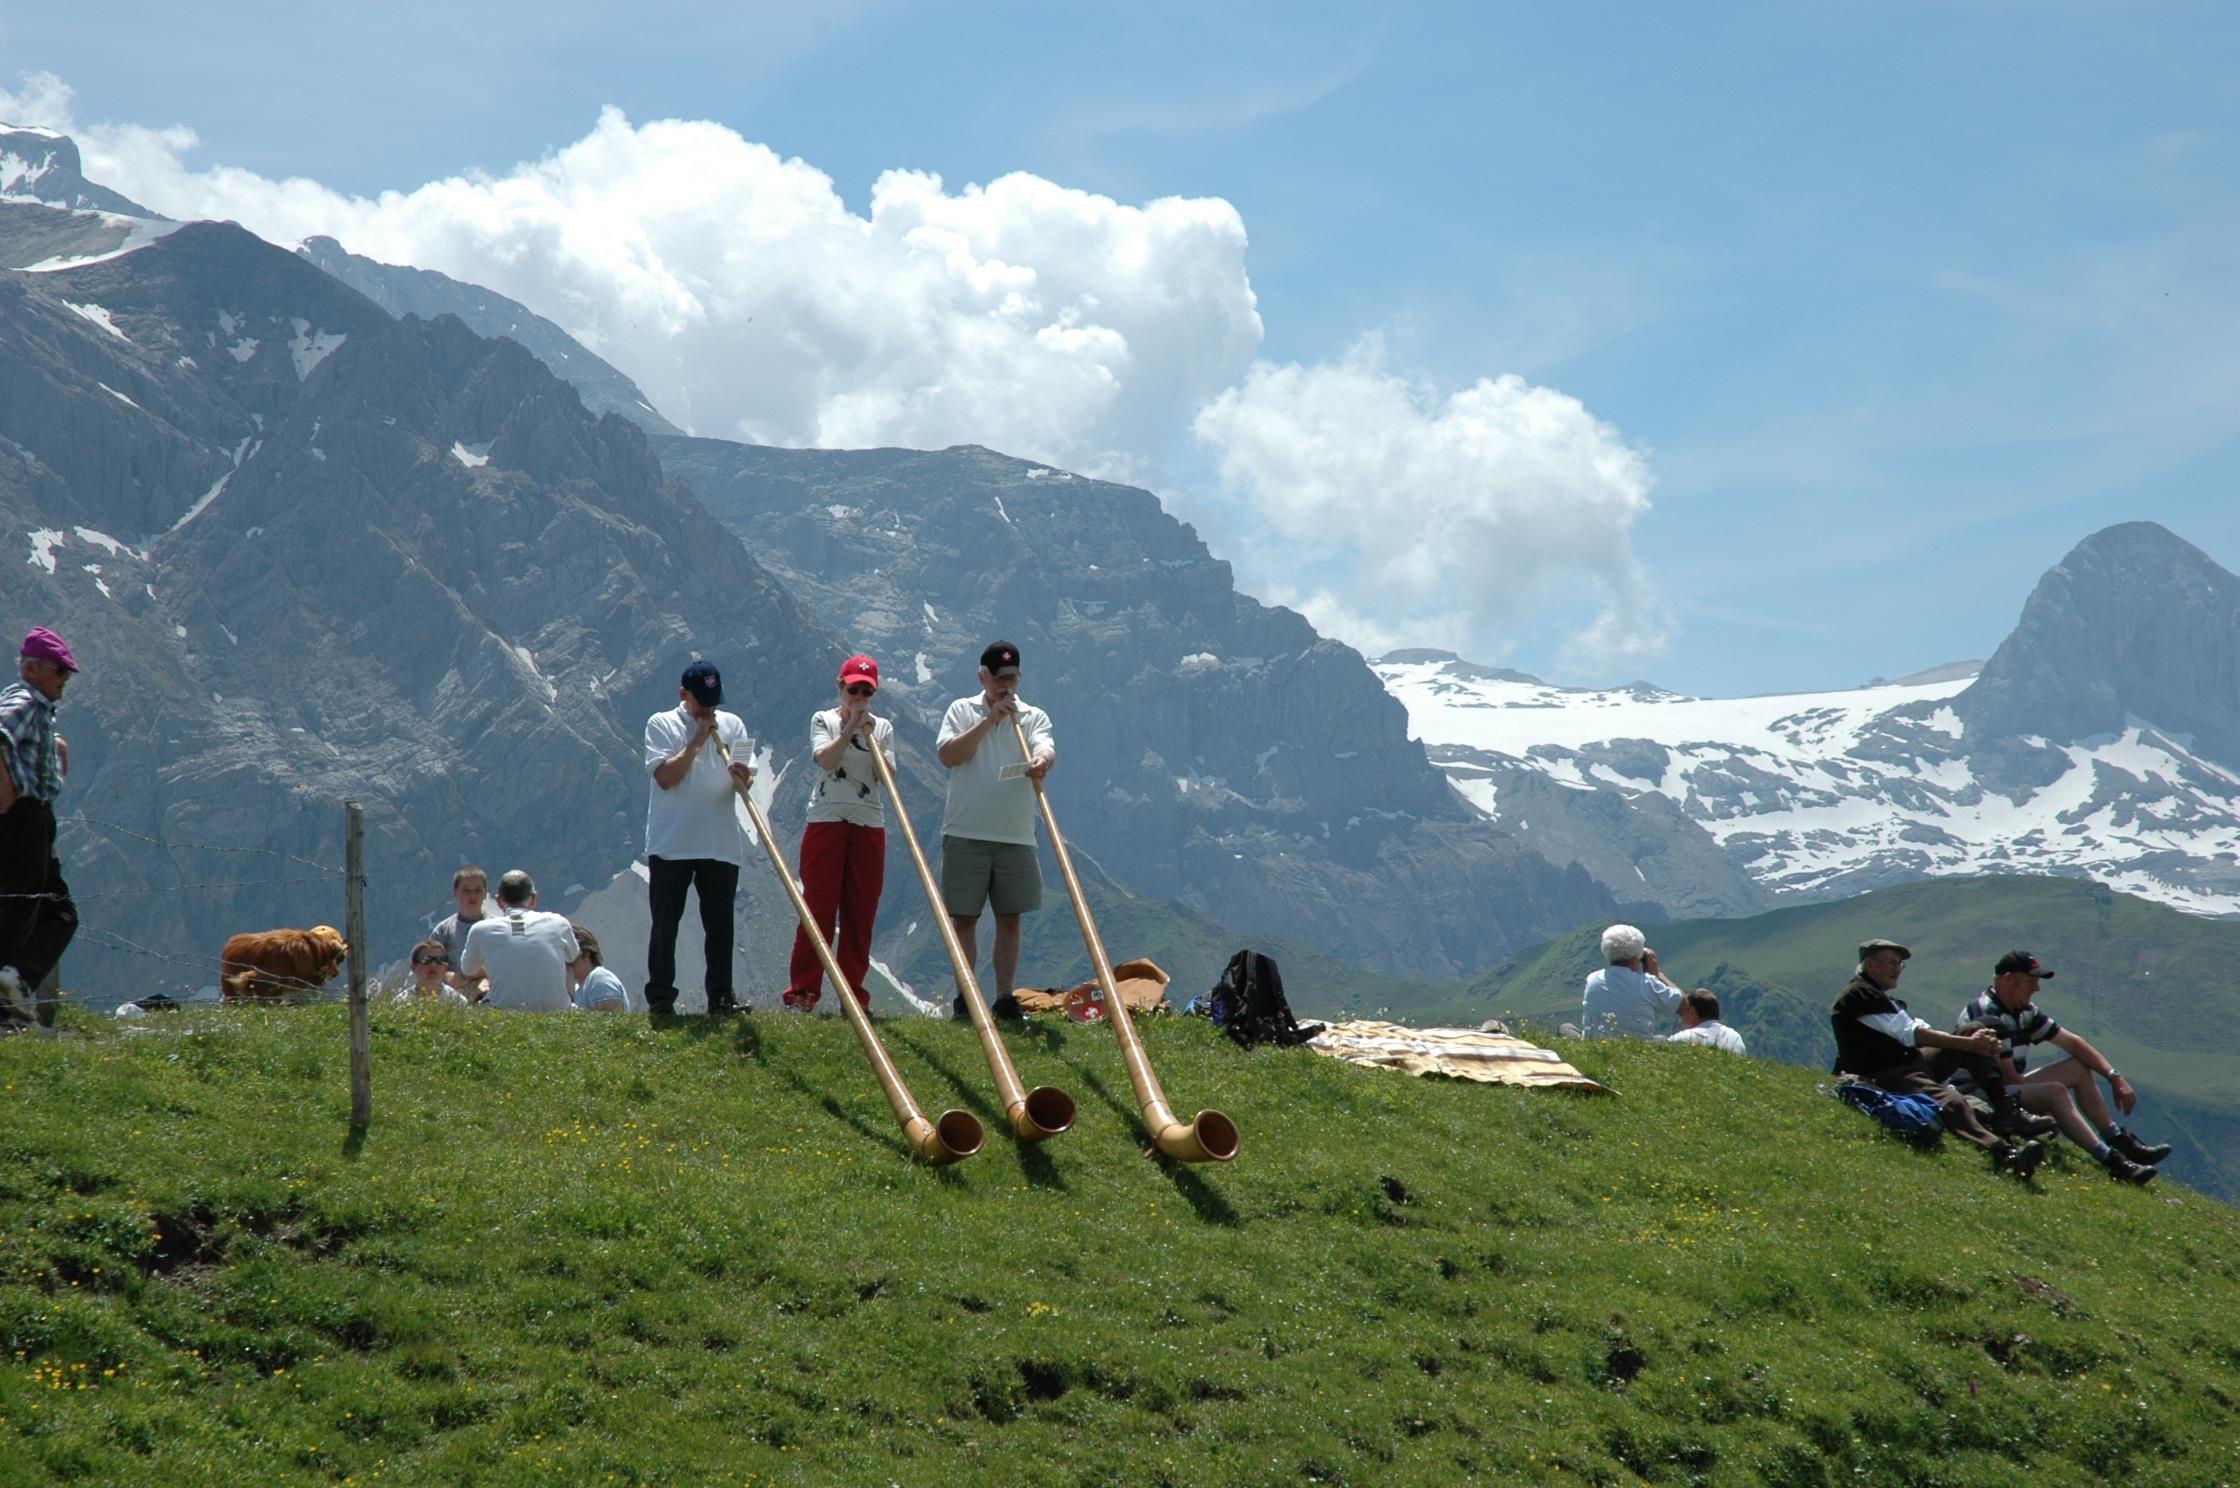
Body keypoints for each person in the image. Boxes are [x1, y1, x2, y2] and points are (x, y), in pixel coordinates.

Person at [1936, 951, 2170, 1186]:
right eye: (2031, 980)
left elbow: (2073, 1044)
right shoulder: (1987, 1011)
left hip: (2009, 1085)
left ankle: (2117, 1139)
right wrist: (2044, 1104)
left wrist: (2114, 1077)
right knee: (2055, 1092)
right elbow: (2007, 1076)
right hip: (1980, 1092)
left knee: (2078, 1068)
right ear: (2008, 980)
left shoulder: (2024, 1010)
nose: (2036, 988)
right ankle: (2113, 1161)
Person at [1831, 938, 2046, 1178]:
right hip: (1886, 1074)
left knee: (1974, 1029)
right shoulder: (1859, 994)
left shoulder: (1876, 994)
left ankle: (2005, 1108)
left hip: (1910, 1062)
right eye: (1891, 962)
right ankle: (2005, 1154)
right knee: (1953, 1101)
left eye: (1899, 964)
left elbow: (1917, 1027)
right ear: (1870, 964)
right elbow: (1912, 1034)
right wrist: (1970, 1045)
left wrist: (1977, 1040)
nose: (1897, 969)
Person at [936, 641, 1054, 1020]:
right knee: (964, 919)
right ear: (982, 677)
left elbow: (1045, 747)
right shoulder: (961, 710)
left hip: (1014, 835)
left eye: (1013, 679)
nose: (1007, 687)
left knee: (1010, 918)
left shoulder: (1032, 716)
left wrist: (1042, 761)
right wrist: (989, 721)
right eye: (1000, 679)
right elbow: (949, 756)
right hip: (966, 831)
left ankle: (1004, 997)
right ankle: (966, 997)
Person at [642, 660, 755, 1016]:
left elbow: (746, 779)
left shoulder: (735, 725)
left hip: (718, 841)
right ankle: (661, 999)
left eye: (714, 701)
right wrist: (698, 739)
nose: (709, 709)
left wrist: (743, 775)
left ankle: (721, 998)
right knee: (666, 925)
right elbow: (665, 777)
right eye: (701, 701)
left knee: (720, 926)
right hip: (672, 843)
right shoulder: (660, 723)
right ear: (683, 694)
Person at [783, 656, 894, 1013]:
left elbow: (888, 777)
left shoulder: (882, 728)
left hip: (868, 823)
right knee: (818, 908)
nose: (859, 697)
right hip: (826, 820)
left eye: (866, 692)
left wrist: (870, 737)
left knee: (860, 912)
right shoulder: (823, 720)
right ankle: (803, 992)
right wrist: (849, 730)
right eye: (853, 690)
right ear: (840, 687)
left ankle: (853, 996)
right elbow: (826, 760)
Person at [0, 627, 81, 1030]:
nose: (64, 679)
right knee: (19, 910)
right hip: (22, 819)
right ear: (33, 669)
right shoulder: (26, 700)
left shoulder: (40, 710)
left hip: (36, 819)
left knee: (56, 911)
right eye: (59, 671)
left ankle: (11, 985)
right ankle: (5, 1004)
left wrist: (56, 747)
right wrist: (5, 792)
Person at [458, 870, 579, 1012]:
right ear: (533, 898)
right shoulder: (559, 923)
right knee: (567, 963)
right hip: (557, 1011)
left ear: (499, 901)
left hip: (504, 1011)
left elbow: (467, 970)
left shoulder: (481, 930)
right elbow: (573, 957)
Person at [1578, 924, 1683, 1038]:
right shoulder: (1647, 982)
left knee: (1567, 1028)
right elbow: (1682, 1003)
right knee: (1661, 1038)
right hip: (1639, 1044)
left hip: (1597, 1044)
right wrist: (1657, 973)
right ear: (1634, 960)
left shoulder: (1592, 979)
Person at [432, 865, 492, 997]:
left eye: (478, 890)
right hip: (453, 992)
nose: (472, 895)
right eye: (466, 891)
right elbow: (430, 962)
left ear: (485, 893)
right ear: (455, 893)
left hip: (489, 991)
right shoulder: (443, 930)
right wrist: (445, 975)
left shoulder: (497, 927)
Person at [568, 924, 636, 1013]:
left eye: (567, 954)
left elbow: (608, 1020)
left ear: (585, 953)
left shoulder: (599, 979)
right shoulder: (578, 987)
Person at [1668, 989, 1747, 1054]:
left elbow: (1663, 1047)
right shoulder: (1735, 1037)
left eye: (1681, 1014)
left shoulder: (1686, 1037)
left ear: (1692, 1012)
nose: (1680, 1020)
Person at [393, 938, 469, 1006]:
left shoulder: (458, 1002)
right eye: (425, 960)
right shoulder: (401, 1002)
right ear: (413, 967)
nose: (433, 965)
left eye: (439, 960)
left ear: (446, 967)